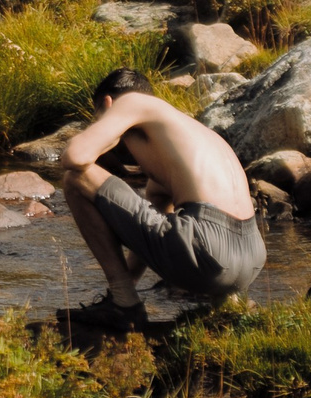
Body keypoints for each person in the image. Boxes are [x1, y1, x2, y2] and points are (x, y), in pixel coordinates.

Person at [56, 66, 264, 334]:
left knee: (76, 178)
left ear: (108, 104)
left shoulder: (130, 101)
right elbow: (155, 204)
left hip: (207, 251)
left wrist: (106, 135)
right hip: (251, 260)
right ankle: (228, 302)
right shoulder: (183, 127)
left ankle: (124, 308)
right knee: (156, 201)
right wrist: (125, 284)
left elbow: (74, 157)